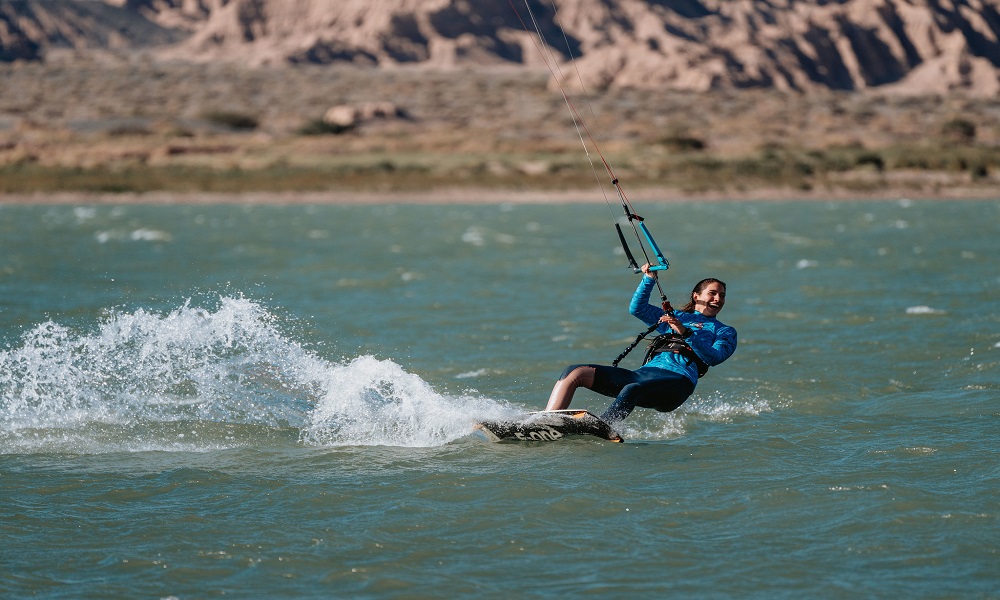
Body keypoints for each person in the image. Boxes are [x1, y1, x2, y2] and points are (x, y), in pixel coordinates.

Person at [544, 263, 737, 424]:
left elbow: (714, 357)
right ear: (697, 296)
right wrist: (648, 279)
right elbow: (638, 308)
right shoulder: (675, 317)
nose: (718, 299)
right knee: (575, 372)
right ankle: (547, 421)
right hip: (644, 374)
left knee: (631, 389)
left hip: (678, 384)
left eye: (722, 295)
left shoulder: (725, 331)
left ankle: (602, 428)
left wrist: (686, 332)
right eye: (712, 293)